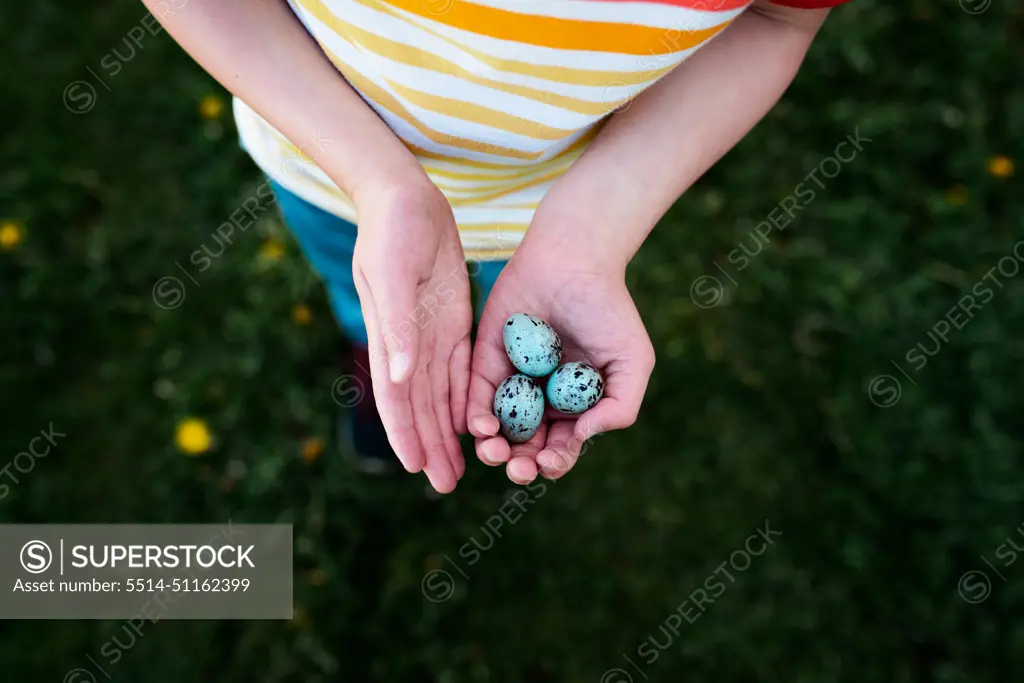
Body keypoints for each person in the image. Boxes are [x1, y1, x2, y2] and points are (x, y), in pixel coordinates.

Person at [147, 0, 850, 494]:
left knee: (479, 306)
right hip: (333, 175)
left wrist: (590, 233)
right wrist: (376, 179)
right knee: (372, 296)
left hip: (553, 206)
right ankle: (380, 353)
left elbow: (774, 16)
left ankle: (442, 359)